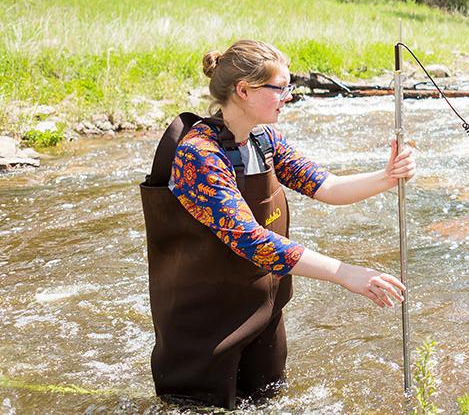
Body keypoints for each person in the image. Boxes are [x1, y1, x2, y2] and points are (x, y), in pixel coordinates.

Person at [139, 39, 414, 408]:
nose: (287, 96)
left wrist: (387, 177)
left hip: (263, 313)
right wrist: (345, 273)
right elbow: (252, 240)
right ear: (243, 90)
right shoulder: (199, 155)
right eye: (279, 88)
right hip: (204, 331)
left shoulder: (264, 140)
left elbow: (326, 186)